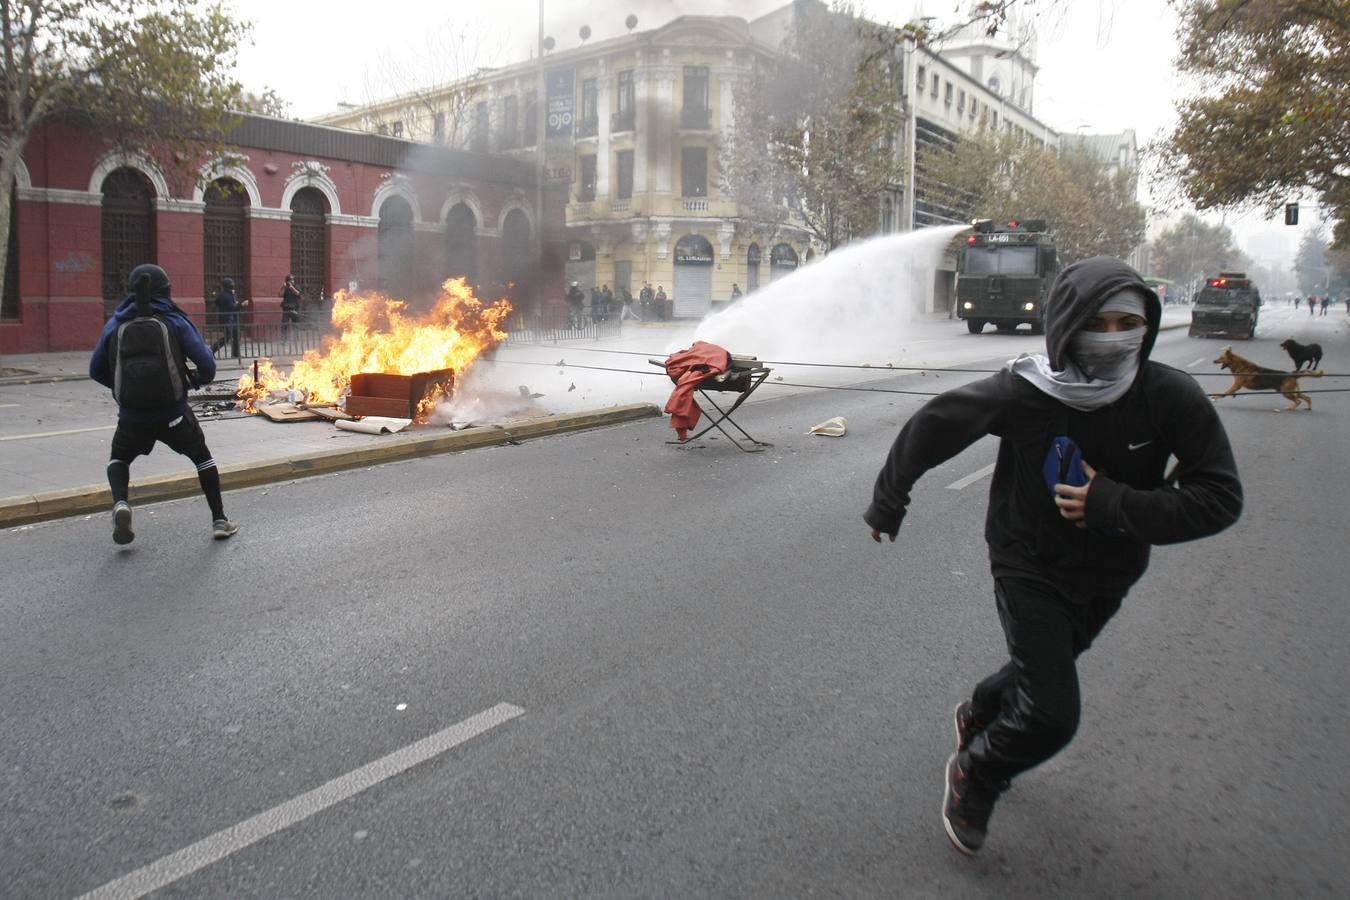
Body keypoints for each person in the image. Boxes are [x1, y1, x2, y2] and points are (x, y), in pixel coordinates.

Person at [864, 256, 1242, 855]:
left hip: (1112, 570)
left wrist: (1113, 504)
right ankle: (977, 773)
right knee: (1052, 713)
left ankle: (981, 709)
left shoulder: (1169, 396)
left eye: (1128, 324)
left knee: (1046, 668)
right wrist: (890, 498)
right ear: (1067, 324)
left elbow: (1219, 497)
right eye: (1098, 323)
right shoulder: (1027, 392)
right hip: (1028, 560)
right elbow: (937, 424)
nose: (1114, 338)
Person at [89, 264, 240, 544]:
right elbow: (207, 366)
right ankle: (219, 520)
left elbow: (95, 370)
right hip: (174, 414)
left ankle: (121, 503)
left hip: (132, 417)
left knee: (119, 459)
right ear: (165, 289)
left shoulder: (116, 323)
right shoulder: (174, 320)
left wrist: (126, 390)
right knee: (202, 458)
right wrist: (190, 382)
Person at [210, 277, 241, 358]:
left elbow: (216, 302)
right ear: (227, 285)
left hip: (233, 318)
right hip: (227, 318)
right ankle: (211, 350)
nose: (233, 285)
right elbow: (232, 307)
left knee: (236, 335)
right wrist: (241, 305)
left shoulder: (232, 294)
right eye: (231, 283)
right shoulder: (224, 295)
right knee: (228, 336)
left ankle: (236, 354)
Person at [281, 274, 303, 340]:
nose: (291, 281)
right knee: (284, 324)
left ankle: (296, 338)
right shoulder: (285, 288)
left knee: (295, 324)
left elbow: (298, 293)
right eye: (289, 280)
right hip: (286, 309)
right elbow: (280, 295)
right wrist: (283, 287)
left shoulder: (296, 286)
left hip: (295, 308)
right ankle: (284, 338)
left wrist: (291, 287)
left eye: (292, 280)